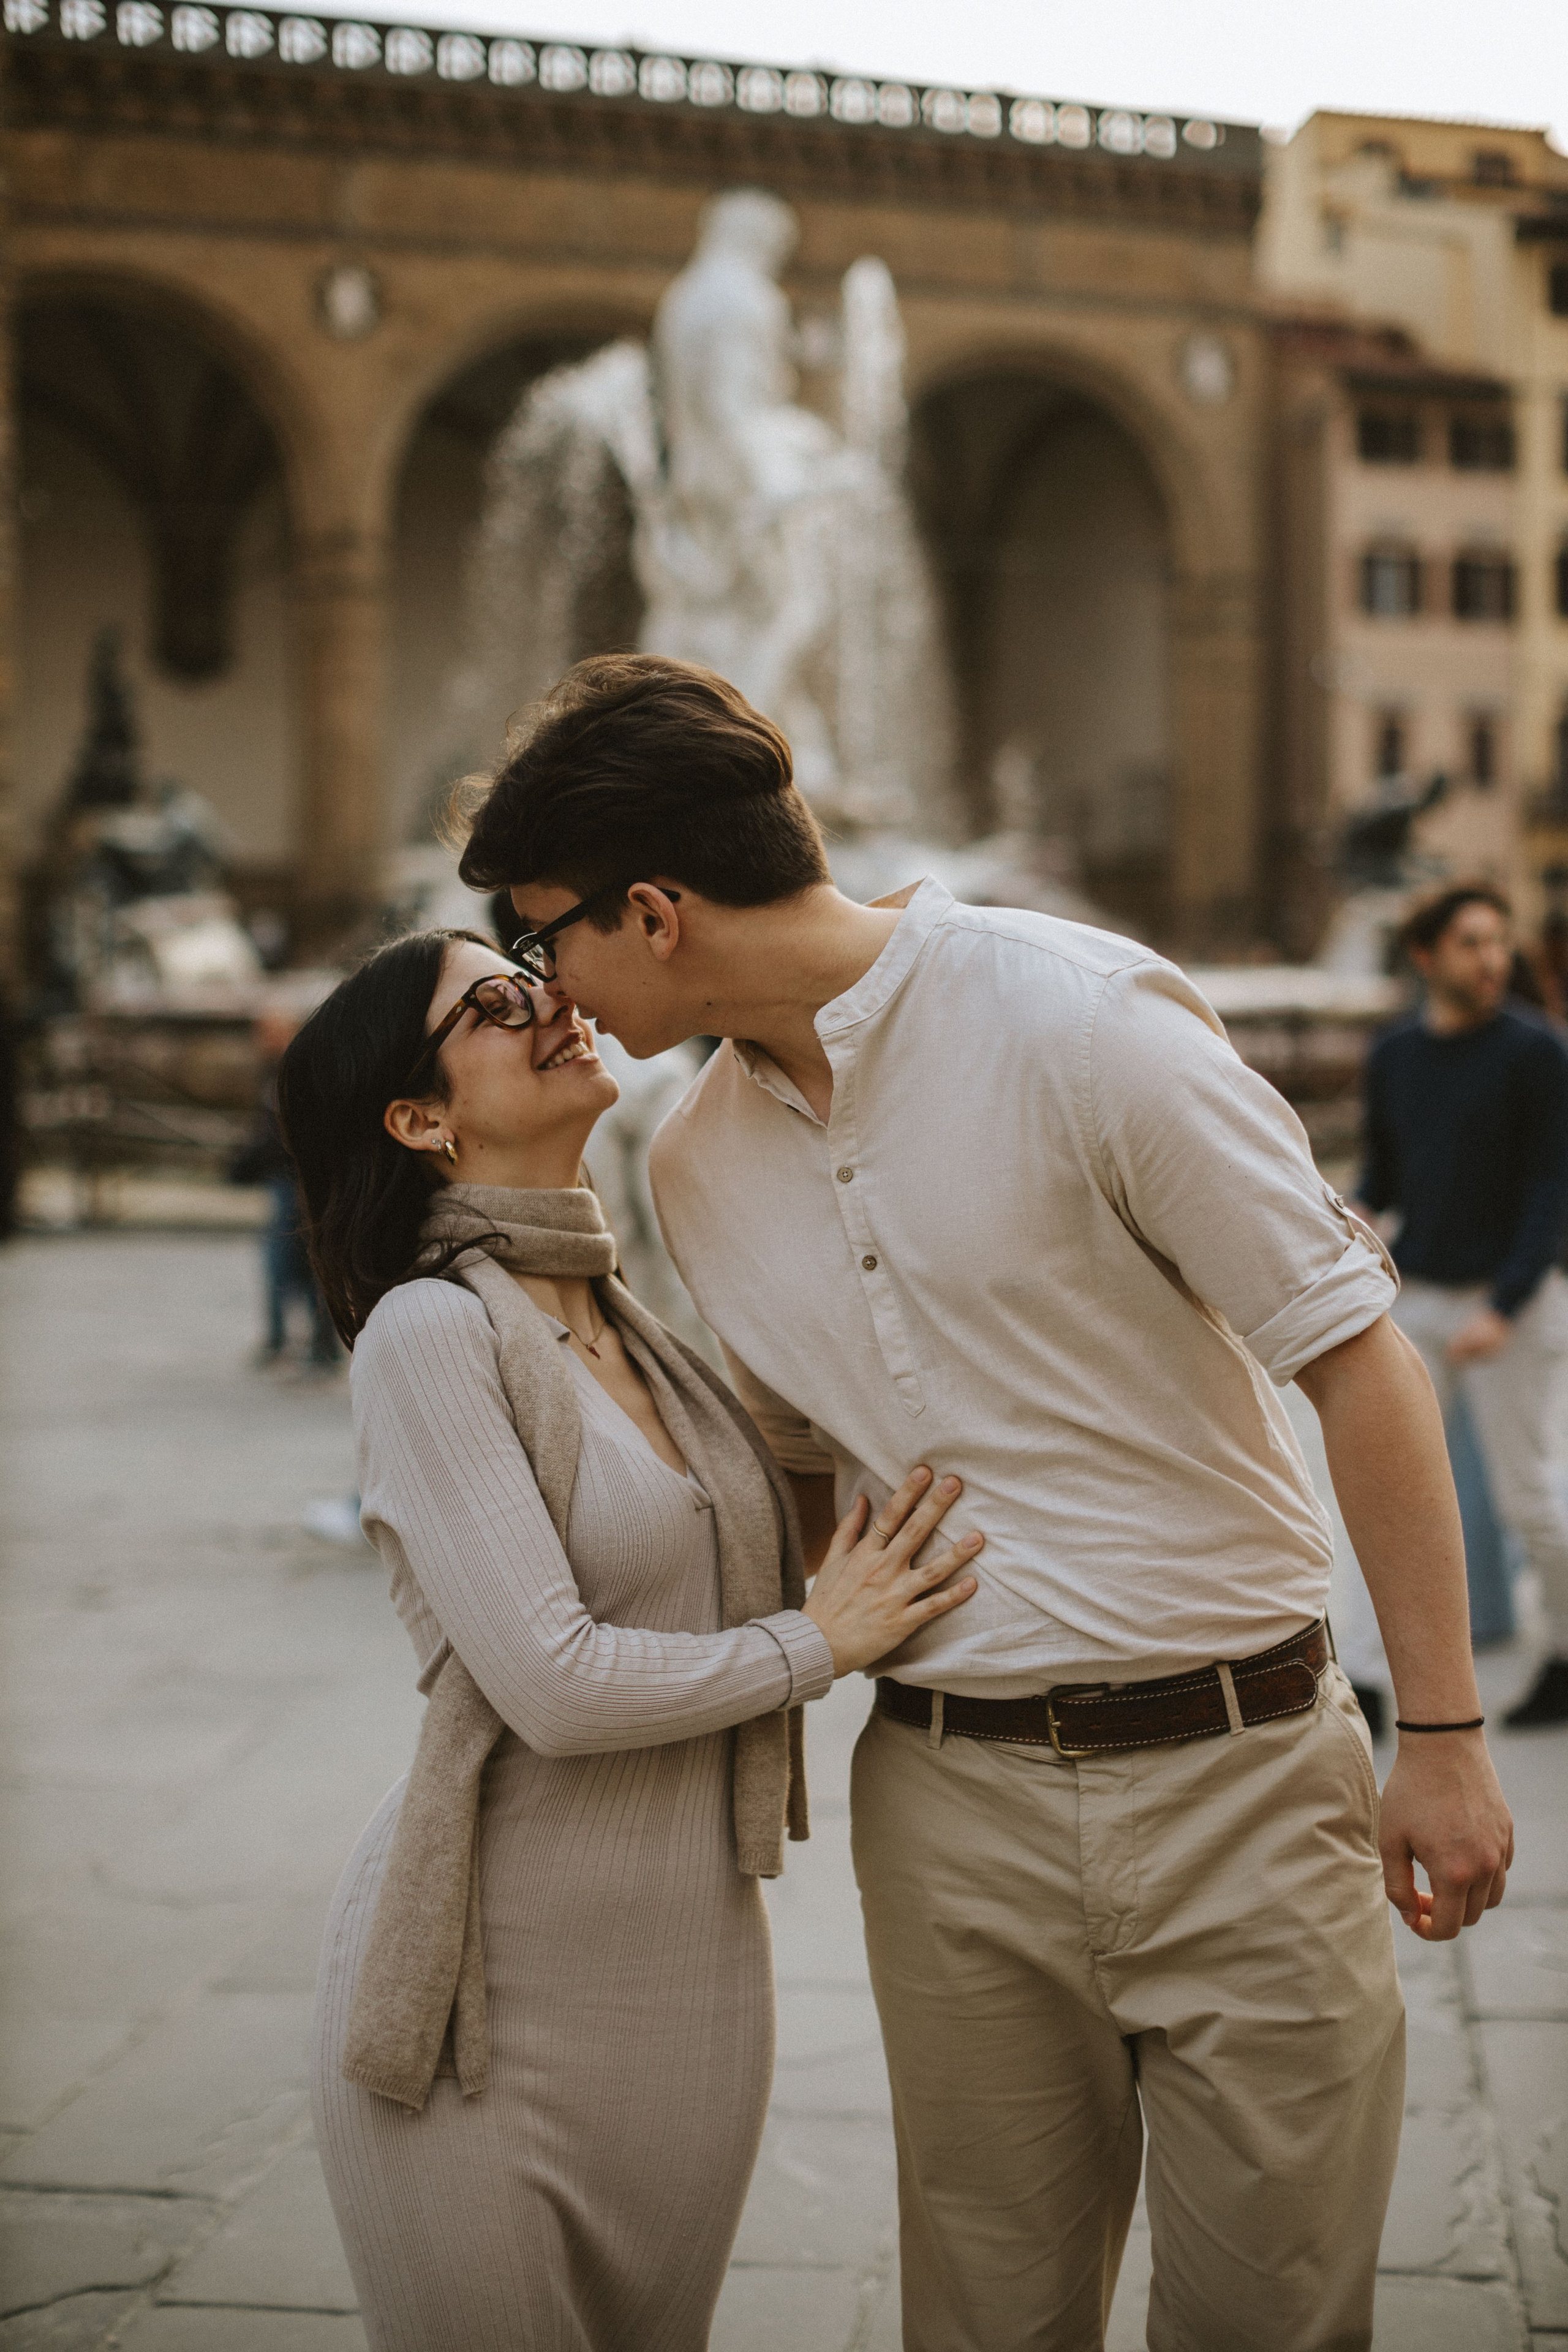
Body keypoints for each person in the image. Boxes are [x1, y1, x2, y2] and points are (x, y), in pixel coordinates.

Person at [454, 654, 1516, 2352]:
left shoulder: (1082, 1021)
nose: (544, 988)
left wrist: (1445, 1735)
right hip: (947, 1804)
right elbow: (803, 1466)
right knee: (982, 2323)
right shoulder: (693, 1161)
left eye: (542, 939)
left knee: (1273, 2320)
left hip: (1243, 1776)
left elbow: (1356, 1359)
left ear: (651, 912)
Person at [275, 926, 978, 2352]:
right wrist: (815, 1641)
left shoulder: (632, 1325)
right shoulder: (428, 1331)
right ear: (419, 1120)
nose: (547, 1000)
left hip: (694, 1990)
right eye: (492, 1003)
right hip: (483, 1997)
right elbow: (555, 1682)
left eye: (530, 969)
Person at [1358, 884, 1568, 1728]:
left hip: (1511, 1303)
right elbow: (1383, 1176)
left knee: (1530, 1500)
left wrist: (1504, 1307)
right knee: (1381, 1489)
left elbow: (1551, 1190)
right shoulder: (1393, 1054)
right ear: (1425, 956)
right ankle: (1367, 1677)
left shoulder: (1537, 1052)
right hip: (1419, 1299)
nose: (1492, 960)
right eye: (1471, 943)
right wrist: (1352, 1215)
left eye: (1498, 942)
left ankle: (1564, 1655)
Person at [230, 1006, 339, 1371]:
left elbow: (292, 1132)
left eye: (269, 1032)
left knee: (296, 1261)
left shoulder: (298, 1072)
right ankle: (289, 1339)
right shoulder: (275, 1070)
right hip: (284, 1178)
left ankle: (315, 1343)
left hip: (298, 1180)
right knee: (289, 1262)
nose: (262, 1040)